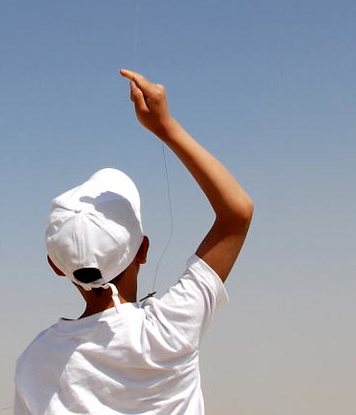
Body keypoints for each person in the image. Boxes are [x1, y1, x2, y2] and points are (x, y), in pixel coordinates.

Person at [14, 69, 254, 415]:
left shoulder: (35, 360)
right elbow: (237, 213)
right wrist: (165, 127)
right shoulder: (168, 328)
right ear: (143, 249)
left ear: (55, 265)